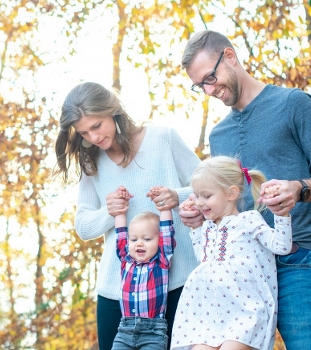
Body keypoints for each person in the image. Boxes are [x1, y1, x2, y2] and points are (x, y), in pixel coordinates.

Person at [178, 30, 311, 349]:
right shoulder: (219, 135)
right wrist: (201, 215)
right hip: (238, 276)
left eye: (210, 78)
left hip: (295, 262)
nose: (209, 90)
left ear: (230, 56)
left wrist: (298, 188)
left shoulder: (293, 103)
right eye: (200, 85)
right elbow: (228, 206)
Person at [54, 82, 200, 350]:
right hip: (118, 293)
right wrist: (109, 212)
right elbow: (83, 227)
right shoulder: (91, 162)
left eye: (97, 125)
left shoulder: (164, 138)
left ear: (112, 111)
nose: (93, 137)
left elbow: (212, 188)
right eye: (84, 132)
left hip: (179, 283)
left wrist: (177, 196)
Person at [171, 156, 293, 350]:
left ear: (231, 193)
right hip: (207, 313)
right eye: (197, 196)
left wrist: (281, 215)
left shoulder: (249, 220)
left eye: (206, 196)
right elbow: (203, 259)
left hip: (243, 311)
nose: (200, 203)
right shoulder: (208, 226)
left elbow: (281, 246)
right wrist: (196, 229)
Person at [111, 186, 176, 350]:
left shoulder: (161, 261)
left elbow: (167, 232)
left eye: (146, 239)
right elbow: (120, 233)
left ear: (158, 241)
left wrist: (164, 207)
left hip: (153, 332)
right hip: (124, 330)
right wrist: (120, 209)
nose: (139, 243)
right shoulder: (126, 260)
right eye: (134, 240)